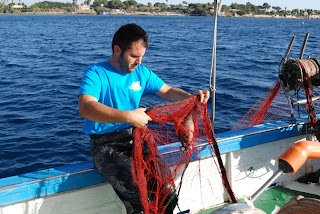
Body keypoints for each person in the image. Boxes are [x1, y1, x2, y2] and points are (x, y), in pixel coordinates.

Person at [78, 23, 210, 214]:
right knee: (139, 199)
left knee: (168, 193)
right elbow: (86, 107)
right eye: (134, 56)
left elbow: (168, 91)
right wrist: (129, 116)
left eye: (142, 57)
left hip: (137, 138)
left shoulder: (141, 72)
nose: (139, 62)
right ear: (117, 50)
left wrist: (191, 98)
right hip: (105, 144)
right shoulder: (96, 73)